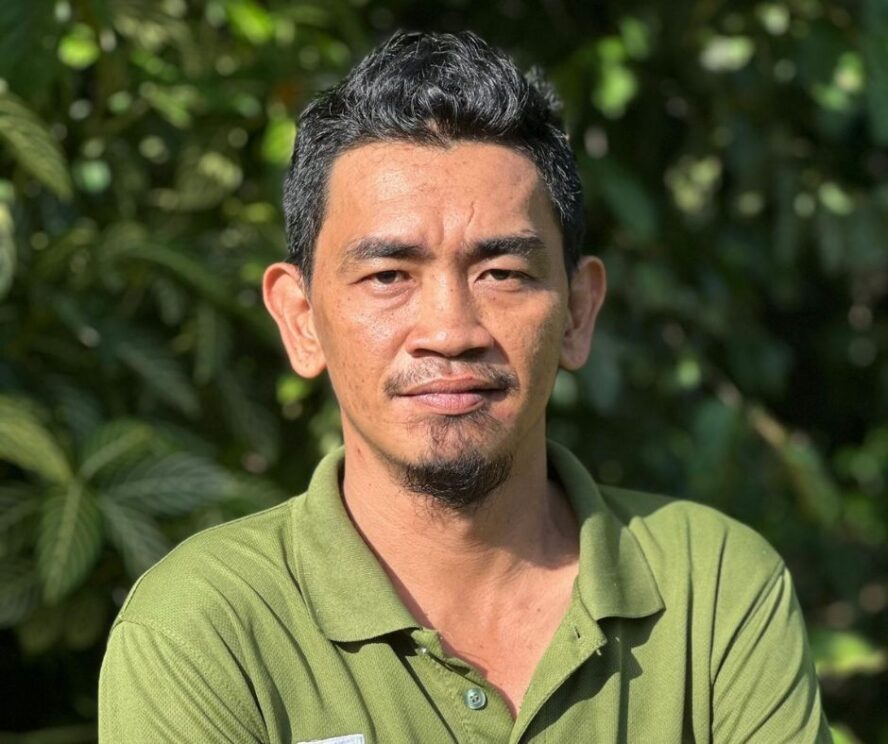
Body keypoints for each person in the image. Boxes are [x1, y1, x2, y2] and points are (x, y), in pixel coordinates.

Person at [98, 31, 831, 743]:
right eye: (388, 276)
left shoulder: (713, 588)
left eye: (502, 274)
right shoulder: (204, 629)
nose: (450, 330)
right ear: (301, 319)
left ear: (578, 312)